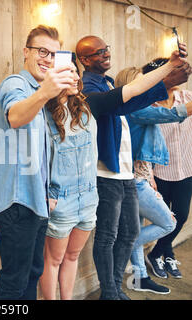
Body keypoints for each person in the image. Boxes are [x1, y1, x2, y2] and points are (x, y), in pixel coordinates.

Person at [39, 54, 186, 300]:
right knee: (54, 259)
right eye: (70, 72)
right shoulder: (42, 111)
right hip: (61, 196)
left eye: (76, 72)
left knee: (73, 255)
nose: (77, 77)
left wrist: (169, 68)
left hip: (87, 194)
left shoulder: (89, 105)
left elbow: (132, 91)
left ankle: (103, 292)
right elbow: (40, 156)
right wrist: (45, 193)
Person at [0, 25, 75, 300]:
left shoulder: (40, 93)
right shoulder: (15, 84)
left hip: (36, 203)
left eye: (53, 54)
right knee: (14, 281)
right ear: (26, 52)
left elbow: (46, 150)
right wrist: (44, 93)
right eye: (42, 51)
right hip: (17, 204)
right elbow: (14, 116)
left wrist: (49, 194)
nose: (47, 59)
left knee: (32, 274)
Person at [115, 65, 192, 294]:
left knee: (137, 228)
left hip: (140, 176)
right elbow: (167, 115)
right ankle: (126, 245)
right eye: (142, 82)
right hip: (134, 180)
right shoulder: (135, 109)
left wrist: (149, 174)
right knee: (168, 222)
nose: (146, 86)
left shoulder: (135, 107)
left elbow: (142, 147)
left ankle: (140, 278)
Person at [143, 58, 192, 280]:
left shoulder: (188, 98)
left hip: (185, 168)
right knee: (165, 218)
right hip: (159, 172)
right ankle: (168, 253)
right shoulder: (148, 105)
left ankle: (157, 253)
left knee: (180, 215)